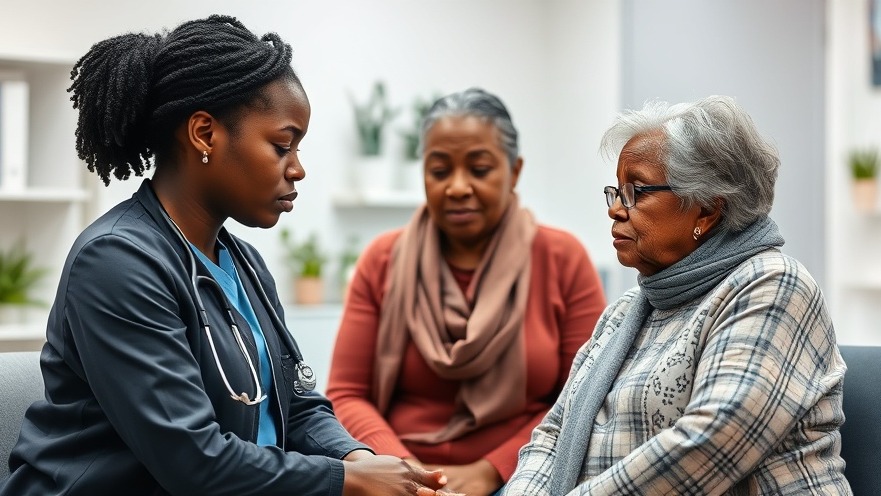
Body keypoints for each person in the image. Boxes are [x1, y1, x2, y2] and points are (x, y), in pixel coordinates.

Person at [0, 15, 457, 496]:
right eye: (282, 146)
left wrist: (365, 462)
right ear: (203, 134)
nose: (298, 169)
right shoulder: (117, 262)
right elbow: (192, 461)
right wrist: (349, 480)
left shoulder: (245, 267)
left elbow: (297, 406)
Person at [503, 95, 853, 495]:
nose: (616, 209)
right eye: (615, 192)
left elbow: (710, 442)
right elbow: (553, 433)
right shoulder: (624, 313)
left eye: (636, 191)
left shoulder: (773, 285)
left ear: (705, 209)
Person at [326, 87, 608, 496]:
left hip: (524, 474)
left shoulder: (563, 258)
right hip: (393, 475)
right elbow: (347, 393)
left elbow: (582, 397)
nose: (457, 187)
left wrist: (491, 470)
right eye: (440, 171)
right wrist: (405, 471)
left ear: (515, 171)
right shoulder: (382, 260)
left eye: (479, 169)